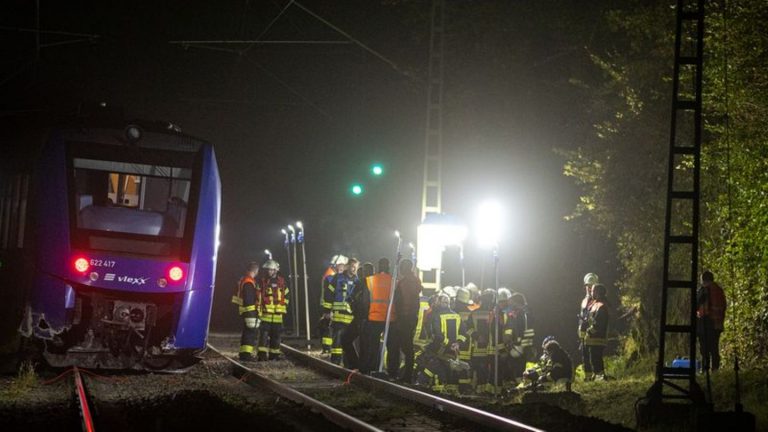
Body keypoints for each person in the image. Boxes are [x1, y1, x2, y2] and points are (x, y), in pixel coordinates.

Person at [416, 293, 466, 393]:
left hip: (439, 349)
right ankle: (449, 391)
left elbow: (437, 335)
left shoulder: (437, 316)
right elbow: (463, 334)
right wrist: (457, 344)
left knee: (430, 365)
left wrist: (448, 343)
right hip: (453, 350)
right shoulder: (457, 316)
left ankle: (420, 383)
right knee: (446, 370)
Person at [387, 259, 423, 383]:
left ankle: (398, 374)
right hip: (412, 318)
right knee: (408, 348)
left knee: (399, 346)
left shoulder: (403, 283)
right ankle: (408, 375)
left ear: (405, 268)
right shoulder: (416, 281)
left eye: (402, 267)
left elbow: (398, 301)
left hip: (403, 318)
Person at [360, 258, 394, 374]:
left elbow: (365, 301)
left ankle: (372, 368)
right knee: (391, 346)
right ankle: (391, 371)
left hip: (374, 318)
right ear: (388, 267)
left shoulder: (371, 280)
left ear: (379, 267)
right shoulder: (394, 281)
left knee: (373, 345)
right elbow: (398, 300)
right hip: (390, 319)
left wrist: (366, 315)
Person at [255, 260, 288, 361]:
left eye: (271, 270)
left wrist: (283, 306)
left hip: (278, 315)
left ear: (276, 270)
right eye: (267, 270)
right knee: (263, 336)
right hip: (265, 314)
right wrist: (258, 311)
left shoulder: (282, 282)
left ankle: (274, 356)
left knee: (276, 337)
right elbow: (258, 296)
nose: (269, 271)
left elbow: (286, 296)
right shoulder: (262, 282)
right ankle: (262, 355)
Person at [341, 260, 371, 370]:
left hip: (362, 318)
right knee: (364, 344)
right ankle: (361, 366)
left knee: (347, 339)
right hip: (372, 318)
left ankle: (358, 366)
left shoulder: (360, 283)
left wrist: (354, 308)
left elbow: (350, 298)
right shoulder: (372, 283)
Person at [330, 258, 360, 366]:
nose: (354, 269)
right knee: (337, 340)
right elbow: (329, 293)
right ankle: (335, 363)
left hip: (350, 317)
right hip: (338, 315)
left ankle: (348, 365)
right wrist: (327, 310)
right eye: (352, 266)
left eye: (356, 267)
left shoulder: (358, 281)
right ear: (347, 266)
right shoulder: (338, 278)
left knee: (348, 342)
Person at [697, 270, 727, 372]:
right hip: (718, 324)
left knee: (704, 349)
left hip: (706, 322)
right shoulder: (719, 290)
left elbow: (697, 305)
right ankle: (715, 369)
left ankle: (705, 369)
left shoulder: (704, 290)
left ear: (703, 280)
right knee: (714, 347)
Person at [232, 261, 260, 361]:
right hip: (250, 311)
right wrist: (254, 309)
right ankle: (246, 355)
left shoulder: (244, 279)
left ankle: (244, 353)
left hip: (246, 311)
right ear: (255, 270)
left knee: (247, 332)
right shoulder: (249, 281)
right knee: (251, 333)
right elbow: (248, 298)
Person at [320, 255, 347, 354]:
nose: (342, 267)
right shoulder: (331, 278)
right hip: (332, 307)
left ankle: (329, 348)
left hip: (340, 309)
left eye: (343, 265)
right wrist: (327, 310)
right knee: (328, 327)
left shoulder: (342, 277)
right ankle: (327, 348)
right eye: (341, 265)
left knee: (333, 329)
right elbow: (328, 295)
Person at [471, 288, 495, 394]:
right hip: (484, 348)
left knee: (486, 371)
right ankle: (482, 392)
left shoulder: (493, 313)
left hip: (489, 348)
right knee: (482, 371)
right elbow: (468, 328)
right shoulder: (476, 313)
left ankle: (484, 392)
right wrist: (477, 336)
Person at [584, 283, 609, 380]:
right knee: (593, 357)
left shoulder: (601, 306)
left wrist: (590, 331)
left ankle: (600, 375)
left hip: (598, 337)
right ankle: (597, 374)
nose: (591, 292)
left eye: (593, 290)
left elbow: (599, 323)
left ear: (598, 292)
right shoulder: (595, 304)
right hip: (593, 337)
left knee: (596, 357)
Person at [578, 272, 599, 380]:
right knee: (585, 355)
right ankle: (588, 377)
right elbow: (582, 316)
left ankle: (597, 376)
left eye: (591, 286)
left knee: (594, 356)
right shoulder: (584, 301)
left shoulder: (598, 300)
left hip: (593, 333)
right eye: (588, 286)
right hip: (583, 334)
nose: (589, 288)